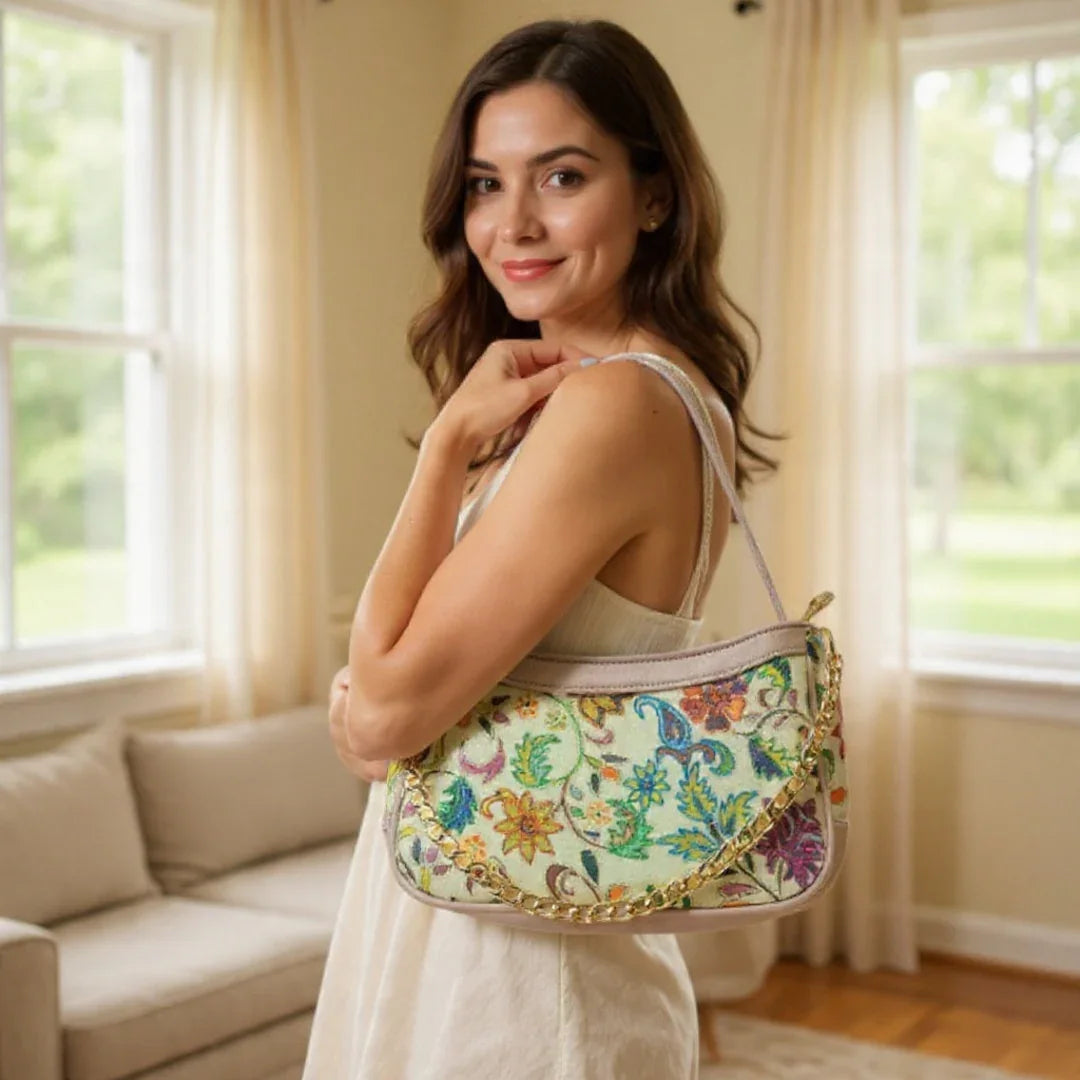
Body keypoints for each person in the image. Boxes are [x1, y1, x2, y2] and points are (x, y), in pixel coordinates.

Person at [301, 17, 783, 1080]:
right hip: (475, 918)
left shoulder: (613, 407)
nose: (512, 222)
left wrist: (440, 454)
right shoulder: (579, 395)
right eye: (483, 184)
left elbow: (380, 718)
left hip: (520, 979)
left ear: (654, 195)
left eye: (561, 177)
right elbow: (398, 712)